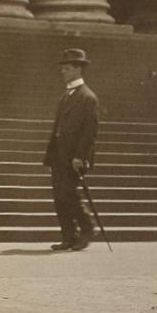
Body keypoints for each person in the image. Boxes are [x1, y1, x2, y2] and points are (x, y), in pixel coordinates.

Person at [43, 48, 100, 251]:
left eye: (67, 68)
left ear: (78, 69)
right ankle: (68, 236)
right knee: (59, 196)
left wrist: (80, 157)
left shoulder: (88, 98)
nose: (63, 72)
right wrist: (50, 157)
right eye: (63, 68)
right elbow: (57, 128)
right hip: (59, 155)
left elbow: (89, 132)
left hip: (73, 157)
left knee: (69, 194)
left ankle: (87, 228)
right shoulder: (67, 95)